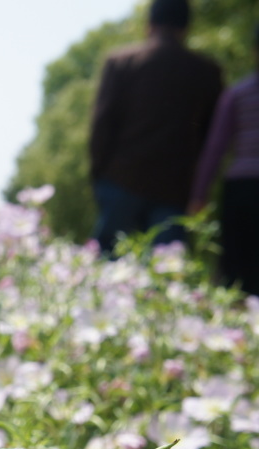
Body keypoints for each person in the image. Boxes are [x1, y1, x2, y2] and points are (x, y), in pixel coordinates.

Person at [89, 0, 223, 254]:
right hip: (173, 189)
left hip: (120, 180)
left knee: (107, 265)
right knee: (165, 275)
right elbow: (209, 138)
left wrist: (99, 177)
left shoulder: (120, 63)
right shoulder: (208, 72)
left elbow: (102, 125)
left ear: (149, 24)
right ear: (186, 27)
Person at [189, 24, 259, 297]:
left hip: (241, 190)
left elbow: (215, 148)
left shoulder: (237, 94)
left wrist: (199, 195)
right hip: (241, 188)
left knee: (237, 272)